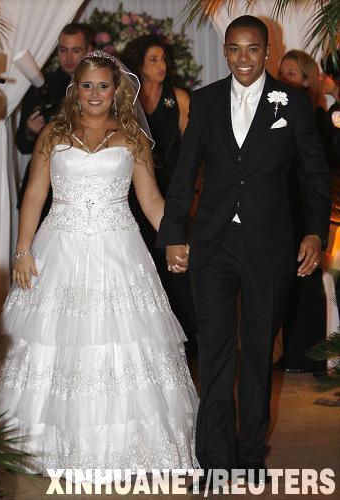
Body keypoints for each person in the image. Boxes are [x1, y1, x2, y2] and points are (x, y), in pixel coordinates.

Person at [0, 50, 198, 479]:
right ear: (75, 89)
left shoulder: (133, 136)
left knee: (121, 345)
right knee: (51, 344)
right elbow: (33, 196)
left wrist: (177, 239)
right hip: (57, 249)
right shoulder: (53, 133)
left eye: (103, 85)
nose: (95, 93)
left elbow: (152, 200)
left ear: (115, 89)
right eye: (87, 85)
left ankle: (123, 448)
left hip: (118, 251)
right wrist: (23, 251)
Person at [157, 15, 330, 485]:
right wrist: (175, 231)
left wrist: (315, 232)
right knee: (214, 350)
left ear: (267, 51)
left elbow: (314, 177)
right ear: (226, 52)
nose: (243, 58)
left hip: (269, 244)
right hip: (213, 243)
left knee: (256, 351)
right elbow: (185, 171)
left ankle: (251, 451)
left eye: (252, 49)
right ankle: (215, 456)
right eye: (234, 49)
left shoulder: (291, 101)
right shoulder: (208, 101)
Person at [121, 35, 198, 360]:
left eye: (164, 59)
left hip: (174, 194)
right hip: (134, 196)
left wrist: (194, 194)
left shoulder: (178, 98)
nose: (161, 66)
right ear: (139, 64)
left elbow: (195, 151)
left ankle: (188, 343)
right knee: (143, 267)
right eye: (153, 60)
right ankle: (149, 344)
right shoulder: (126, 98)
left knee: (178, 269)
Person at [278, 50, 335, 372]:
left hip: (306, 207)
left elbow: (319, 171)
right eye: (282, 72)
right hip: (283, 205)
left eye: (293, 73)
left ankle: (307, 356)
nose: (286, 78)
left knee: (307, 277)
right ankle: (287, 353)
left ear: (307, 79)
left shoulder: (316, 114)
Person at [16, 23, 93, 223]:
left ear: (89, 50)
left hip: (84, 189)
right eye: (63, 50)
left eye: (76, 50)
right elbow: (22, 146)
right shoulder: (41, 84)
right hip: (42, 192)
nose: (68, 57)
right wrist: (31, 131)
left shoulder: (99, 88)